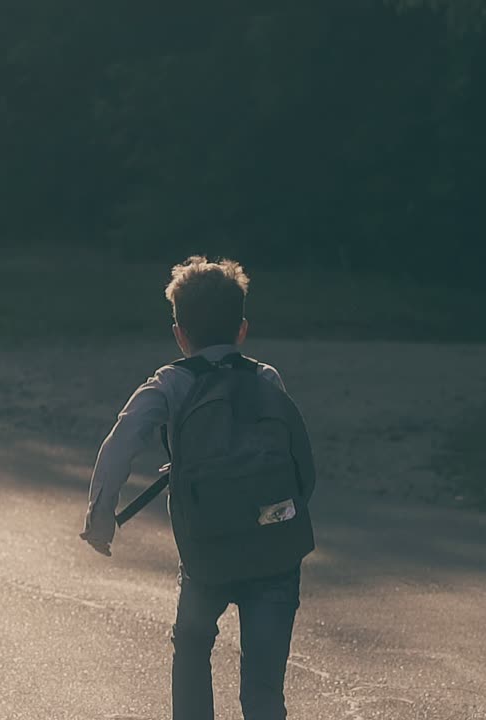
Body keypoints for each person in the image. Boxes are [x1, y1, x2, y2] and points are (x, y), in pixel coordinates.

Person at [80, 256, 316, 720]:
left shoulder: (170, 384)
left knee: (191, 646)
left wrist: (102, 517)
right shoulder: (267, 380)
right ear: (242, 330)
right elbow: (298, 467)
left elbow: (120, 443)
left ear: (179, 334)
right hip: (274, 550)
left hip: (207, 553)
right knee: (264, 689)